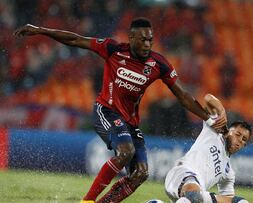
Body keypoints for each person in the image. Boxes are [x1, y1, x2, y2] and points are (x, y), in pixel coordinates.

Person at [14, 18, 227, 203]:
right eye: (143, 39)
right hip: (106, 111)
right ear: (131, 38)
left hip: (131, 123)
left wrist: (209, 119)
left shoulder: (158, 63)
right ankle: (87, 200)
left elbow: (183, 96)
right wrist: (41, 30)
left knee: (140, 173)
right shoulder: (113, 49)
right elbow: (76, 39)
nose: (147, 44)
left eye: (150, 40)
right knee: (126, 152)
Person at [165, 94, 251, 203]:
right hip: (182, 175)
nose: (239, 140)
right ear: (229, 131)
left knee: (241, 202)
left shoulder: (228, 172)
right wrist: (222, 111)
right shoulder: (215, 131)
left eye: (244, 139)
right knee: (195, 196)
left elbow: (227, 197)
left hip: (194, 194)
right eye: (237, 134)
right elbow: (208, 98)